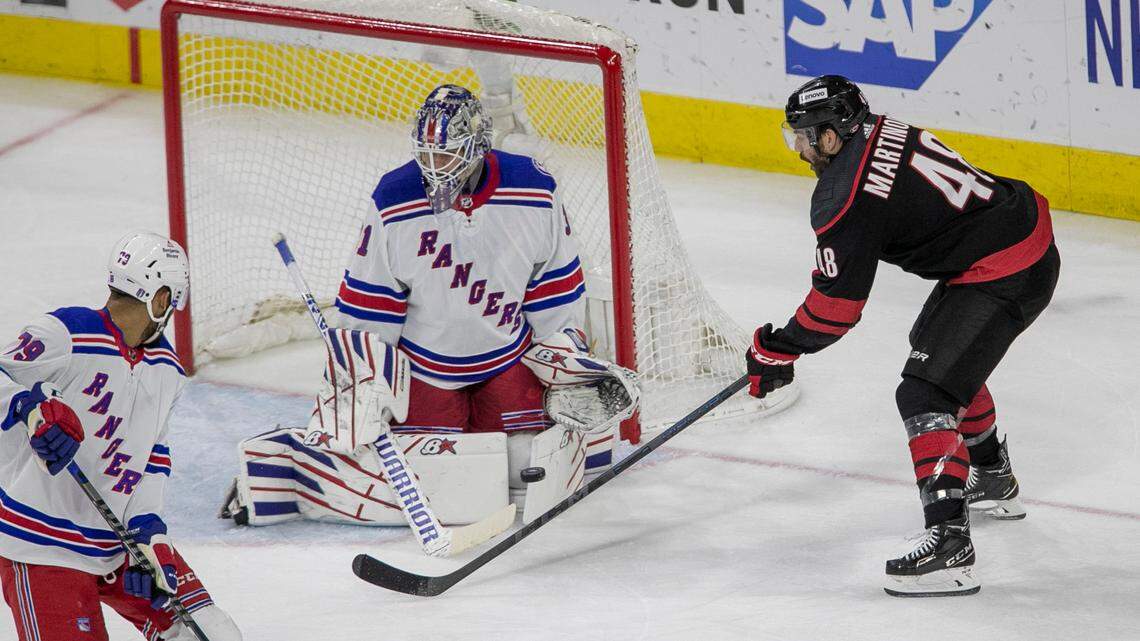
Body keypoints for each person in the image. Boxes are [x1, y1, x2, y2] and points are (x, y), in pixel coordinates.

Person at [222, 84, 638, 530]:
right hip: (425, 367)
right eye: (427, 153)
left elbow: (553, 289)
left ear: (478, 146)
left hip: (506, 358)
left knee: (523, 470)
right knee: (430, 481)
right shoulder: (394, 197)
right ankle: (288, 468)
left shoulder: (534, 189)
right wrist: (364, 378)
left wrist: (566, 359)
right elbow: (371, 304)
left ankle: (574, 443)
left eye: (447, 154)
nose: (434, 166)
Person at [745, 75, 1059, 597]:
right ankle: (992, 476)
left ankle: (949, 546)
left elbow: (835, 312)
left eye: (802, 136)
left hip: (1005, 267)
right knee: (937, 353)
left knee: (924, 391)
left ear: (830, 135)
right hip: (1015, 230)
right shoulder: (880, 129)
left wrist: (775, 349)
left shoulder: (843, 196)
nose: (797, 148)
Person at [0, 232, 242, 640]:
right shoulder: (67, 332)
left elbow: (152, 457)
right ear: (161, 298)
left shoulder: (168, 370)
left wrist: (149, 530)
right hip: (42, 543)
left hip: (120, 542)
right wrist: (30, 406)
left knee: (212, 633)